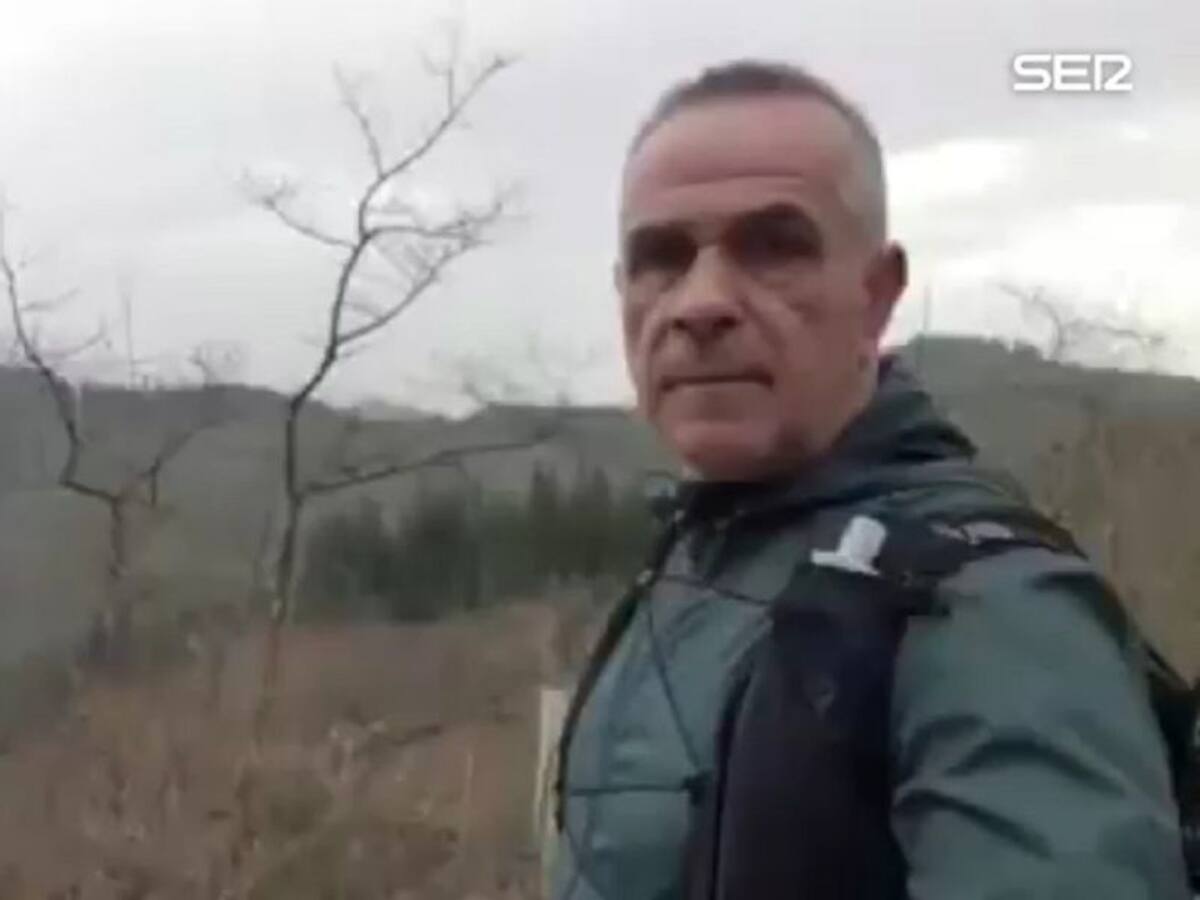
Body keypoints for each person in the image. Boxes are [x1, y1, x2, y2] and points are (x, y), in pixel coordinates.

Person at [550, 60, 1191, 900]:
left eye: (773, 247)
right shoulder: (690, 561)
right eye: (660, 258)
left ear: (878, 296)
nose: (700, 303)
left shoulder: (981, 608)